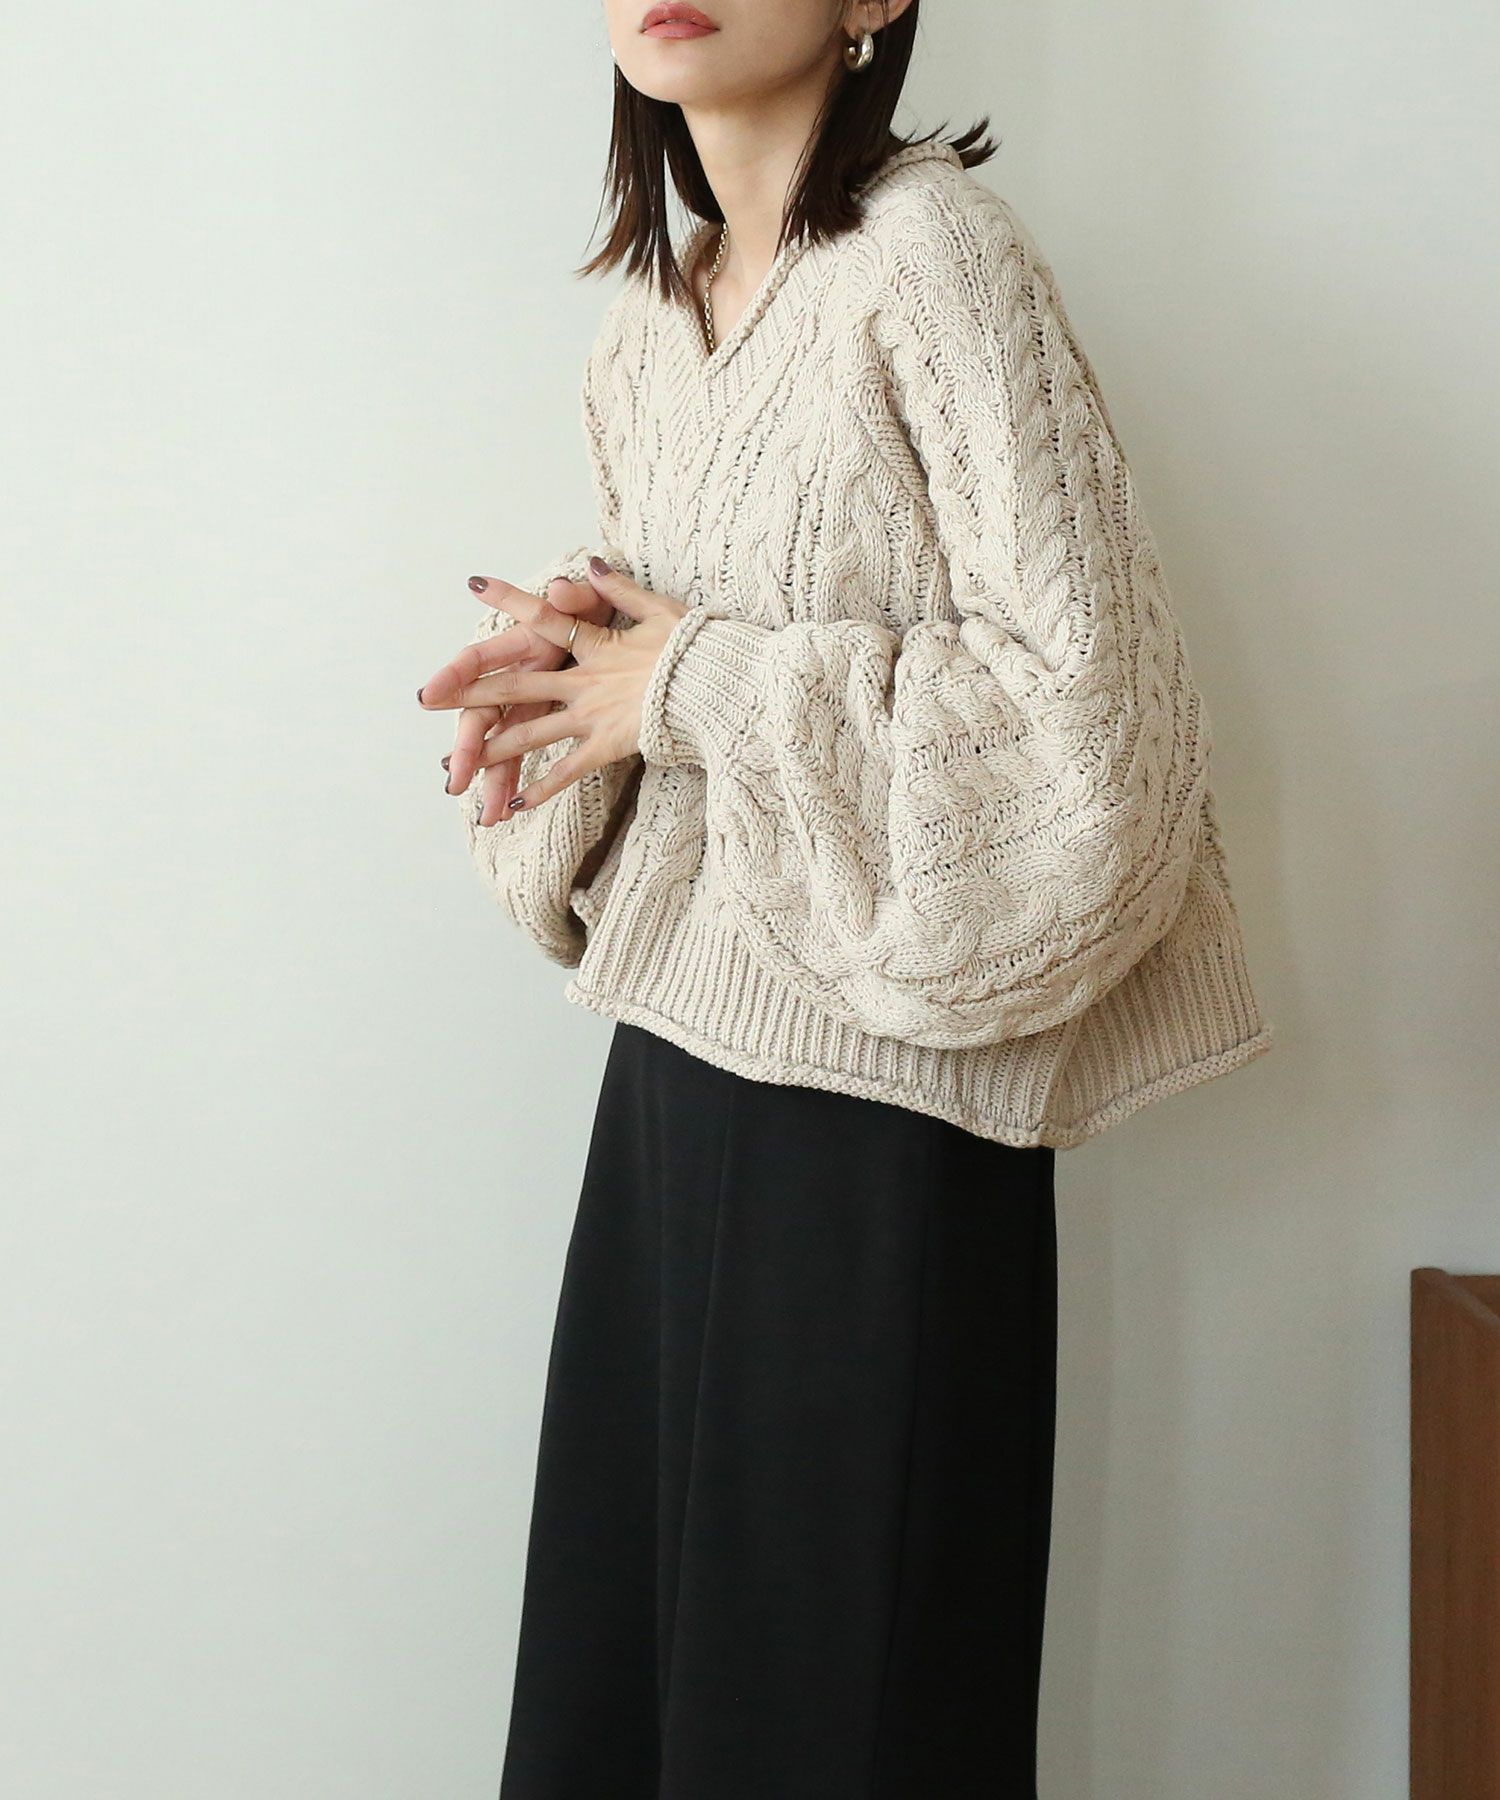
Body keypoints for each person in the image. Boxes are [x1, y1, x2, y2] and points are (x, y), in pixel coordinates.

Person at [417, 3, 1274, 1793]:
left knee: (828, 1720)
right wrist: (571, 685)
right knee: (627, 1696)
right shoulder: (649, 328)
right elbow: (673, 702)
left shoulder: (936, 257)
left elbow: (1098, 735)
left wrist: (684, 680)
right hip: (669, 1080)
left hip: (883, 1126)